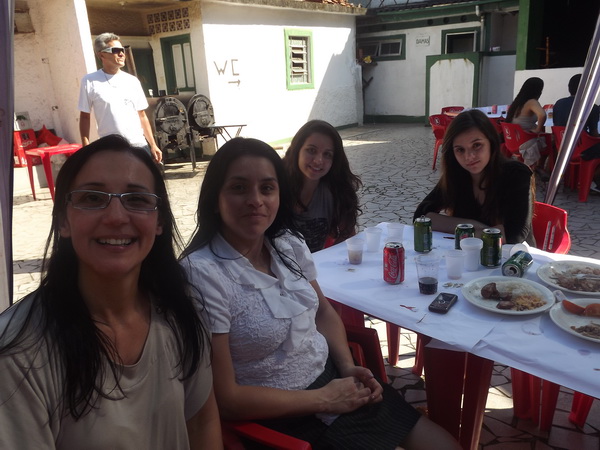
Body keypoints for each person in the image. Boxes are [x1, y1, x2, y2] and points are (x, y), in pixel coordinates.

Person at [181, 137, 461, 450]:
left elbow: (324, 312)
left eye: (267, 188)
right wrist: (323, 399)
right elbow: (227, 399)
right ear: (215, 198)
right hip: (280, 418)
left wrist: (346, 366)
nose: (255, 200)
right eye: (238, 187)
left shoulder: (286, 244)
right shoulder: (202, 274)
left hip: (334, 383)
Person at [0, 135, 221, 449]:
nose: (116, 217)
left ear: (159, 221)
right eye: (92, 198)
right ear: (63, 220)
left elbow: (201, 422)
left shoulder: (182, 310)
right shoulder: (18, 354)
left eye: (136, 199)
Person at [414, 109, 535, 245]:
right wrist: (475, 227)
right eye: (460, 150)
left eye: (477, 145)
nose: (469, 157)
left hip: (515, 255)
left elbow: (514, 235)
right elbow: (420, 217)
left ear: (491, 143)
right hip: (470, 254)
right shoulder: (458, 174)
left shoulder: (517, 174)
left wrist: (463, 231)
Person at [78, 32, 163, 163]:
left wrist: (153, 144)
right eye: (115, 50)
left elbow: (142, 115)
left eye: (122, 50)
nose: (121, 54)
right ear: (101, 55)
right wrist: (86, 147)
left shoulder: (132, 81)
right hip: (111, 149)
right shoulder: (90, 81)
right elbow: (85, 116)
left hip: (138, 146)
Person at [282, 120, 362, 252]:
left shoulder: (336, 190)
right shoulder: (275, 186)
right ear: (297, 149)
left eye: (327, 154)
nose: (318, 160)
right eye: (311, 150)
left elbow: (347, 236)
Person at [553, 74, 600, 191]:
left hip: (562, 147)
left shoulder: (558, 104)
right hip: (581, 149)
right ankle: (594, 178)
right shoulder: (591, 107)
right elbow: (594, 133)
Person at [506, 77, 549, 170]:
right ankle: (540, 168)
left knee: (546, 139)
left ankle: (538, 168)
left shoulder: (518, 102)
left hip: (513, 141)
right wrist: (537, 130)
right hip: (525, 141)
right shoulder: (532, 102)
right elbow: (542, 115)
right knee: (552, 140)